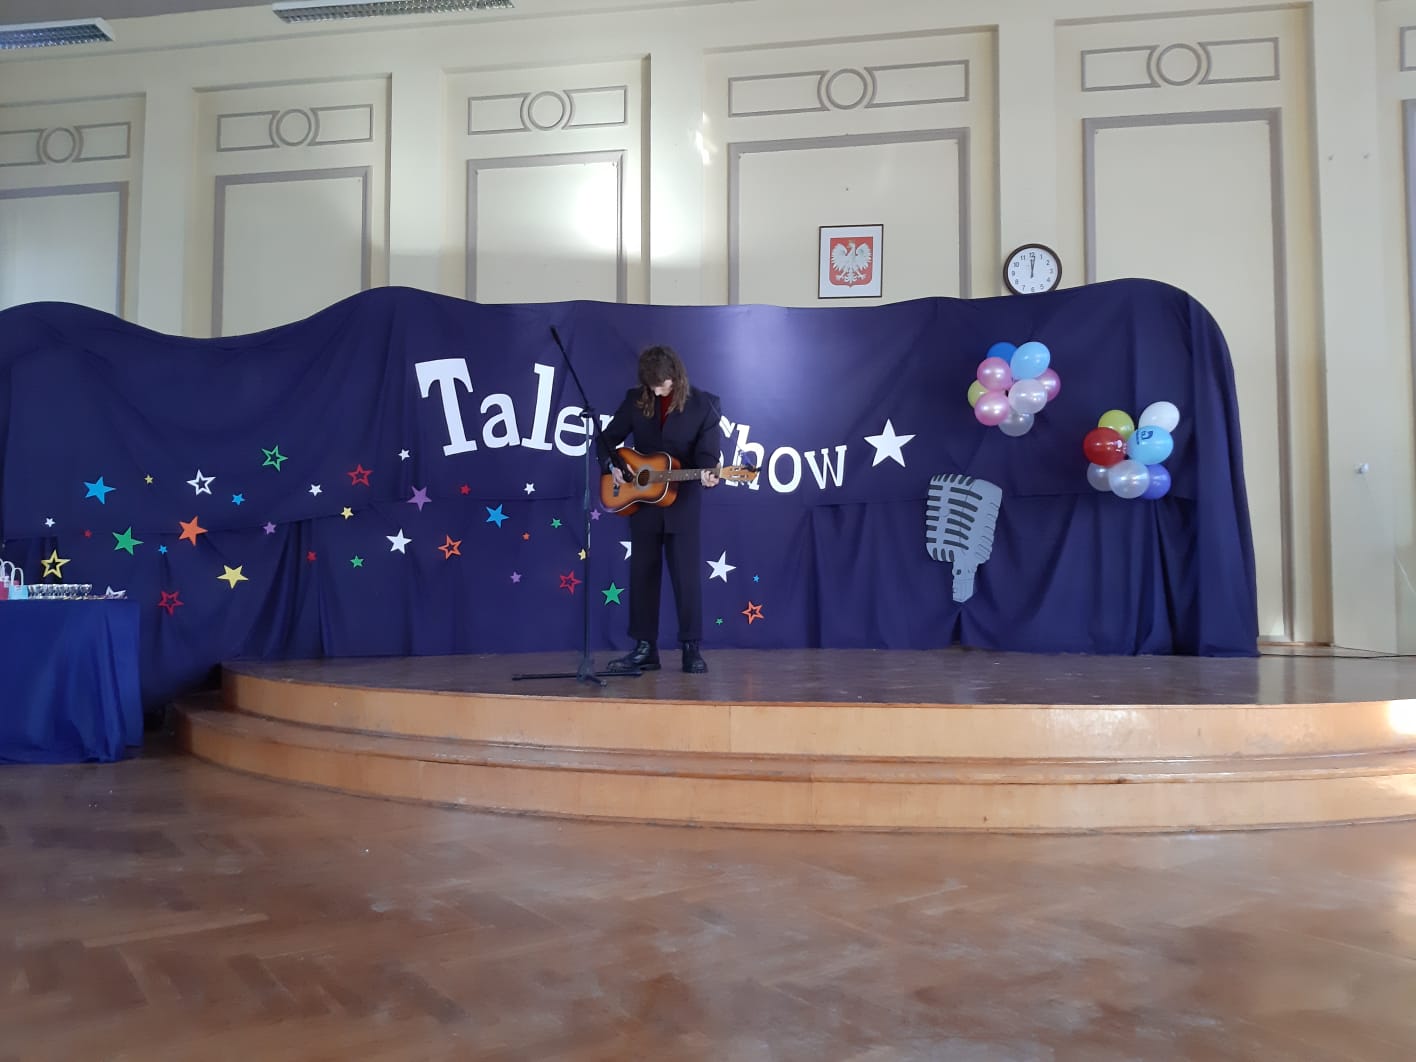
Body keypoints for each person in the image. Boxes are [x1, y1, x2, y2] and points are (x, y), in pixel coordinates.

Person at [597, 345, 721, 674]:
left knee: (686, 579)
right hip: (642, 503)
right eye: (650, 386)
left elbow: (708, 455)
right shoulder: (636, 399)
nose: (656, 392)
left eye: (661, 385)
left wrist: (708, 473)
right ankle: (645, 648)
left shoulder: (705, 405)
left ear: (675, 377)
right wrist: (614, 466)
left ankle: (691, 648)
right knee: (642, 576)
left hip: (683, 504)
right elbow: (606, 440)